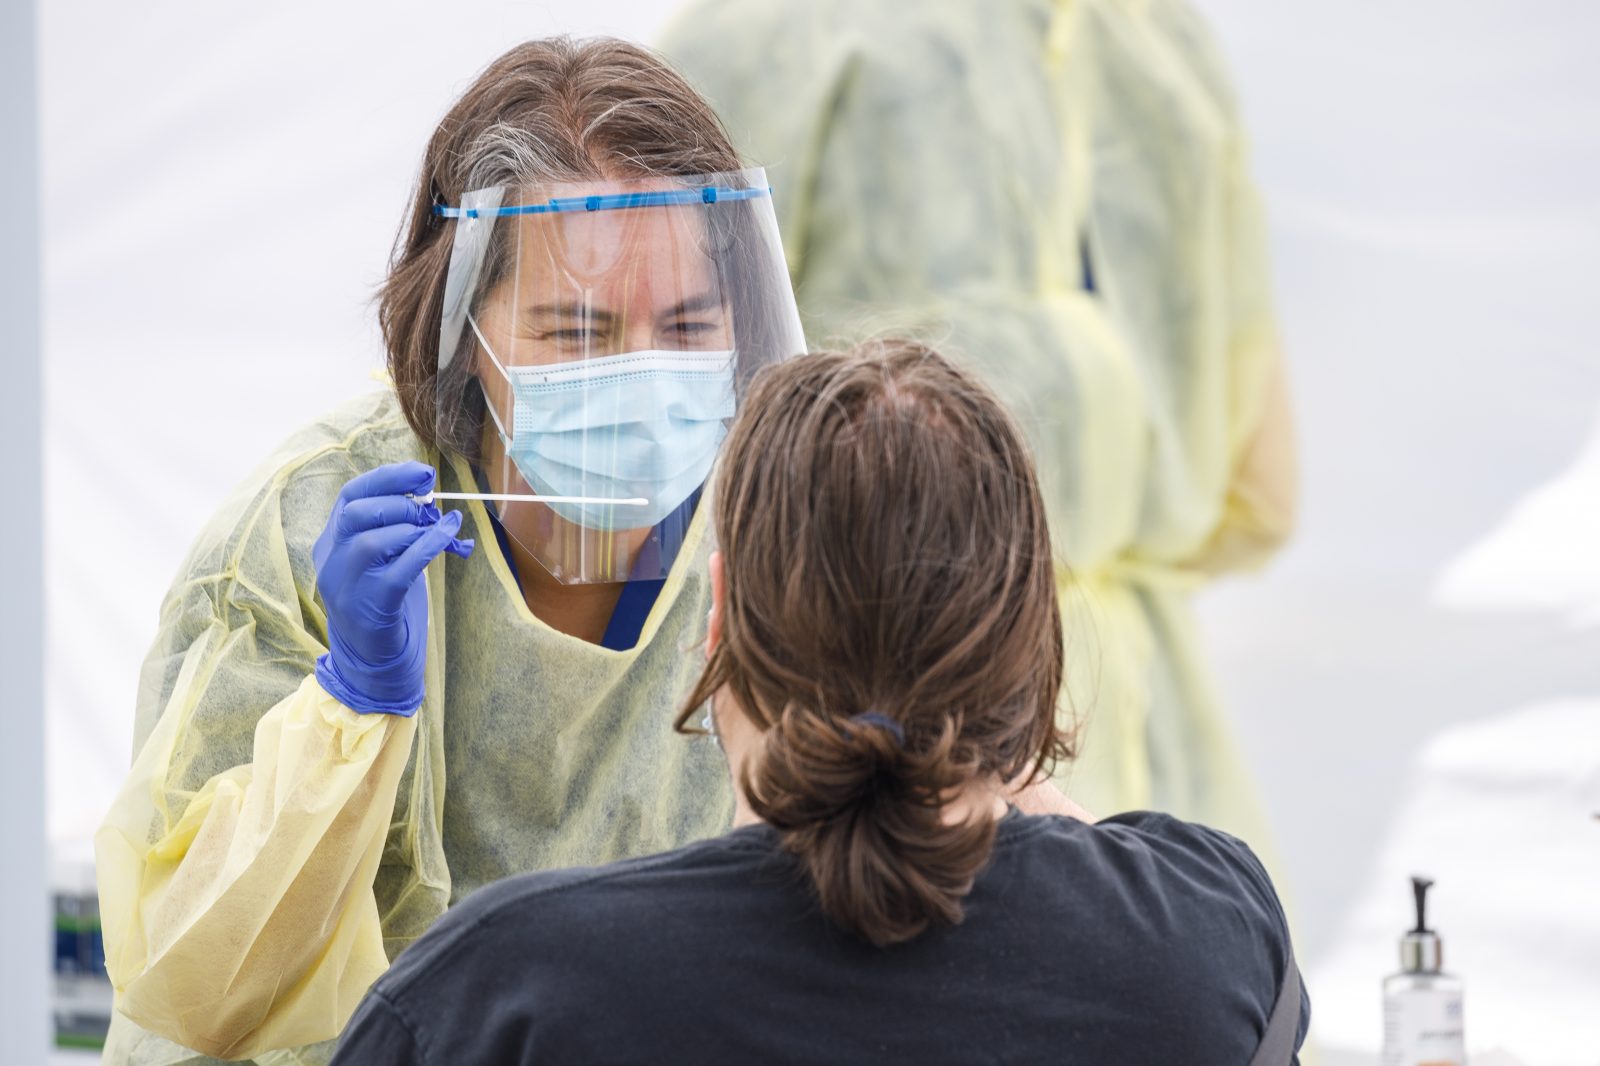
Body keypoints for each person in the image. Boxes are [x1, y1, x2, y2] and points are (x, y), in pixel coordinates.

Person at [92, 37, 813, 1064]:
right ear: (464, 321)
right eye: (578, 331)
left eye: (691, 325)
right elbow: (196, 986)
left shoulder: (769, 526)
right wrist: (346, 706)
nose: (645, 378)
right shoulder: (301, 534)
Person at [330, 340, 1309, 1066]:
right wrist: (986, 762)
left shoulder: (508, 992)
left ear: (717, 621)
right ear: (1023, 640)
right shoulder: (1206, 936)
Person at [657, 0, 1299, 841]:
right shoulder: (1154, 41)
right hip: (1147, 739)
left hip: (822, 745)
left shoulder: (759, 39)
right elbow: (1255, 491)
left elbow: (666, 442)